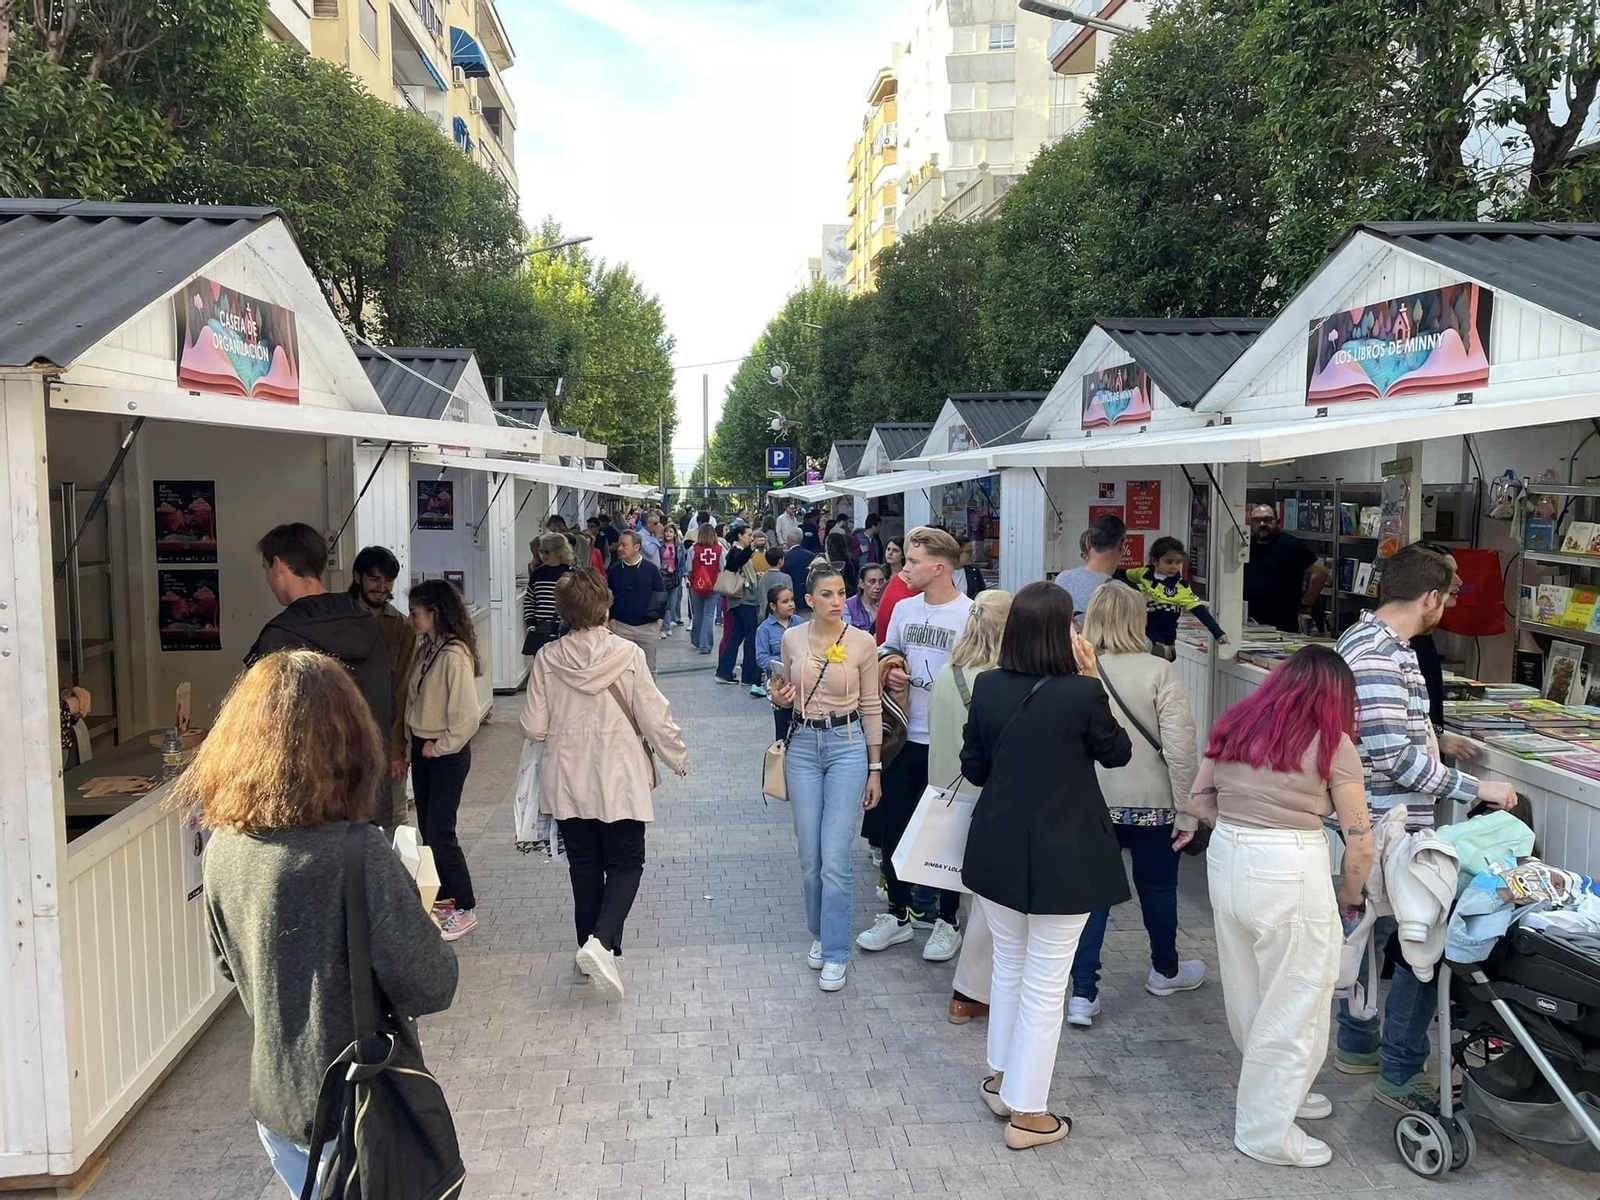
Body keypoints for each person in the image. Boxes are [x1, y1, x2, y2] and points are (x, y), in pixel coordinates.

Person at [190, 651, 458, 1199]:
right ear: (350, 744)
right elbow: (432, 983)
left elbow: (230, 968)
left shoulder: (222, 849)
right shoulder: (357, 854)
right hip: (358, 1110)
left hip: (277, 1101)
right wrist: (414, 917)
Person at [1333, 545, 1517, 1110]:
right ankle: (1400, 1072)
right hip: (1388, 827)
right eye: (1451, 595)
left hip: (1383, 825)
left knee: (1369, 939)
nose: (1450, 605)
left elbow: (1398, 735)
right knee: (1423, 945)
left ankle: (1360, 1045)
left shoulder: (1381, 645)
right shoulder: (1380, 655)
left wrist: (1438, 740)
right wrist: (1477, 789)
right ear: (1430, 597)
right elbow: (1393, 759)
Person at [959, 582, 1133, 1150]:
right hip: (1067, 853)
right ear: (1064, 632)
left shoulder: (986, 686)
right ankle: (1028, 1112)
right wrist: (1092, 680)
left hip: (997, 847)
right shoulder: (1080, 695)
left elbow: (976, 768)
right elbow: (1117, 752)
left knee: (1010, 968)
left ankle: (1003, 1080)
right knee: (1045, 982)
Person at [1186, 646, 1375, 1168]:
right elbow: (1360, 840)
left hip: (1228, 855)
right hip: (1290, 862)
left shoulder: (1236, 724)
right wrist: (1351, 893)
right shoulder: (1334, 744)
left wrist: (1241, 822)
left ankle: (1279, 1095)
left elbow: (1198, 801)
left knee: (1250, 987)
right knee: (1298, 1000)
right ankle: (1267, 1130)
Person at [522, 568, 688, 999]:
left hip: (566, 776)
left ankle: (591, 946)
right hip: (619, 774)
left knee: (584, 866)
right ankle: (602, 942)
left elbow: (535, 727)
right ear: (606, 607)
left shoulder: (547, 658)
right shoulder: (628, 655)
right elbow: (654, 715)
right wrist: (677, 758)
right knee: (627, 862)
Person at [1066, 583, 1203, 1028]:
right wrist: (1188, 811)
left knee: (1092, 899)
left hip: (1093, 804)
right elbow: (1181, 750)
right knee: (1159, 889)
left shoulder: (1076, 672)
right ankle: (1166, 969)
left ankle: (1082, 993)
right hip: (1153, 805)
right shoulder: (1159, 672)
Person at [859, 526, 971, 962]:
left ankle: (947, 919)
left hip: (949, 738)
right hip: (903, 732)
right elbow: (882, 650)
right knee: (892, 825)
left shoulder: (970, 614)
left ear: (939, 568)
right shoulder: (904, 608)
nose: (904, 569)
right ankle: (897, 913)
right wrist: (890, 668)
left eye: (913, 562)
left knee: (945, 830)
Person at [769, 565, 883, 993]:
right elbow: (780, 692)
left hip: (848, 745)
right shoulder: (792, 637)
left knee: (836, 855)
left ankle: (836, 950)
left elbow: (872, 705)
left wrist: (875, 767)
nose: (837, 601)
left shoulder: (863, 643)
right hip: (802, 745)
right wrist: (779, 696)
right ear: (809, 599)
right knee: (810, 856)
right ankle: (820, 932)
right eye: (827, 594)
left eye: (841, 593)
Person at [929, 589, 1014, 1025]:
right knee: (991, 904)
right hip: (987, 800)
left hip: (949, 795)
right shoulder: (997, 680)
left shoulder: (948, 672)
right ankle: (972, 991)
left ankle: (974, 989)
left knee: (975, 901)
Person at [247, 523, 392, 748]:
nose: (267, 579)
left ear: (277, 565)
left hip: (311, 778)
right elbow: (387, 703)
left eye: (265, 567)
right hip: (368, 772)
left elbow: (266, 726)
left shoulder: (280, 635)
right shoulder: (365, 622)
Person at [406, 579, 483, 942]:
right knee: (427, 829)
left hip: (444, 753)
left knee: (441, 831)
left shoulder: (454, 655)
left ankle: (465, 905)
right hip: (423, 748)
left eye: (416, 613)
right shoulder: (426, 648)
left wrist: (439, 746)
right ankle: (444, 900)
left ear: (435, 612)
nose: (411, 619)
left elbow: (466, 717)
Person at [348, 545, 416, 828]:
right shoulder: (335, 617)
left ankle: (391, 873)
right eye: (374, 579)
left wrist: (398, 749)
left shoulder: (401, 626)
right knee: (344, 816)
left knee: (392, 817)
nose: (381, 587)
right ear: (357, 577)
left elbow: (402, 689)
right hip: (342, 737)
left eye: (388, 581)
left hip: (384, 736)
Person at [1124, 536, 1227, 657]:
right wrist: (1135, 594)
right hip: (1140, 631)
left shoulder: (1181, 587)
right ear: (1155, 561)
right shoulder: (1144, 573)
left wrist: (1218, 632)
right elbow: (1121, 574)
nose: (1174, 566)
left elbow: (1200, 611)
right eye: (1169, 562)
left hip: (1164, 635)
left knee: (1159, 662)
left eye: (1178, 562)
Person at [1244, 504, 1329, 633]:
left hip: (1282, 622)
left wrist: (1306, 605)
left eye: (1268, 520)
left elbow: (1320, 572)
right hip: (1249, 620)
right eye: (1256, 521)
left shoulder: (1291, 545)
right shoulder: (1246, 546)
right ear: (1250, 524)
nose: (1262, 524)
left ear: (1278, 522)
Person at [606, 530, 667, 675]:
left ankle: (649, 698)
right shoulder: (614, 571)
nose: (620, 548)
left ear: (637, 547)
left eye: (624, 545)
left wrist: (659, 621)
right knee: (620, 671)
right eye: (619, 545)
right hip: (620, 628)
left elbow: (661, 595)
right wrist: (611, 621)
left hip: (647, 628)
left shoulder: (651, 569)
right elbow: (606, 597)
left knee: (648, 670)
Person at [1054, 513, 1129, 627]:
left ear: (1088, 542)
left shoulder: (1063, 578)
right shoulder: (1124, 593)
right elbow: (1138, 641)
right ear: (1123, 546)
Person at [716, 525, 763, 692]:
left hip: (740, 599)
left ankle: (724, 671)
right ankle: (749, 676)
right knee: (750, 637)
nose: (751, 537)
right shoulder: (736, 551)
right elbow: (736, 563)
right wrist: (751, 548)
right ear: (740, 536)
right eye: (749, 535)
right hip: (744, 600)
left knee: (737, 635)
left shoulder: (737, 552)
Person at [757, 584, 805, 735]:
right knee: (783, 729)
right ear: (773, 605)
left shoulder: (801, 623)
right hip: (780, 685)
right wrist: (785, 660)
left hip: (801, 683)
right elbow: (761, 658)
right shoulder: (764, 629)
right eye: (785, 601)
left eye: (791, 600)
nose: (791, 604)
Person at [523, 533, 574, 661]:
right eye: (541, 551)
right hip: (541, 628)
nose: (543, 555)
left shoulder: (570, 573)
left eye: (547, 552)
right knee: (541, 662)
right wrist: (531, 624)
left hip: (564, 628)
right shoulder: (537, 574)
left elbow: (576, 602)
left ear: (559, 552)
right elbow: (530, 600)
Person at [687, 524, 724, 655]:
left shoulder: (693, 549)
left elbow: (689, 569)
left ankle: (696, 640)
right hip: (714, 585)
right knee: (709, 614)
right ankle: (706, 645)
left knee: (698, 613)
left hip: (697, 585)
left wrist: (691, 581)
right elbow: (722, 568)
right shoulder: (719, 549)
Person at [873, 538, 912, 645]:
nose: (890, 553)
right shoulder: (880, 572)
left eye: (895, 550)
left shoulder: (910, 577)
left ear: (903, 554)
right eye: (888, 549)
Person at [660, 522, 685, 638]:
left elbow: (682, 564)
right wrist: (665, 567)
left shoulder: (679, 547)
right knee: (665, 603)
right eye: (666, 531)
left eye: (670, 532)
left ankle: (668, 624)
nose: (668, 534)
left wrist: (682, 575)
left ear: (675, 534)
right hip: (662, 576)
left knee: (673, 602)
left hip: (675, 577)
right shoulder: (660, 546)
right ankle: (665, 627)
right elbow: (658, 560)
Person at [782, 529, 816, 615]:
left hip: (792, 596)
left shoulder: (785, 557)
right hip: (808, 596)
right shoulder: (811, 556)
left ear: (789, 539)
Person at [847, 563, 887, 632]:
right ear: (862, 583)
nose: (877, 586)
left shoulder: (888, 604)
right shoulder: (848, 606)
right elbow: (846, 634)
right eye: (872, 582)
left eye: (881, 582)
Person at [825, 529, 858, 596]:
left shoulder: (825, 559)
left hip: (831, 591)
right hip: (847, 592)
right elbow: (853, 578)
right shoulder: (851, 558)